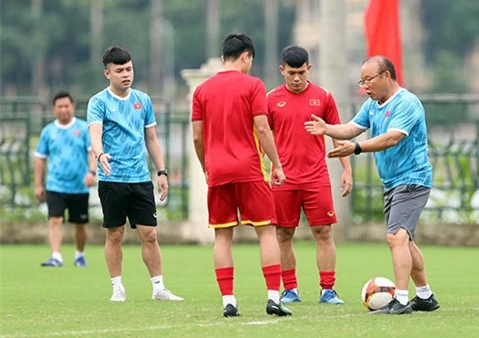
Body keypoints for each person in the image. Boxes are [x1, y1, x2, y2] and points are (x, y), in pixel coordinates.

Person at [304, 56, 439, 315]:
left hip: (412, 179)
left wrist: (356, 148)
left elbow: (392, 138)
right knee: (405, 242)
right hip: (393, 182)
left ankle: (400, 300)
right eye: (362, 80)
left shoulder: (407, 103)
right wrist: (327, 129)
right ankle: (425, 296)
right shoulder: (372, 105)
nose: (364, 86)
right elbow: (351, 128)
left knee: (395, 237)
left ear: (386, 75)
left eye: (368, 80)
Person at [191, 33, 292, 318]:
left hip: (218, 171)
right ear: (246, 56)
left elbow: (197, 136)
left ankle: (228, 301)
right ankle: (273, 297)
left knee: (222, 237)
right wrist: (277, 164)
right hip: (249, 169)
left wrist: (205, 166)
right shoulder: (253, 85)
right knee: (266, 232)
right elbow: (262, 127)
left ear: (224, 58)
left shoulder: (202, 90)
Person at [87, 46, 183, 302]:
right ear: (108, 73)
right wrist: (100, 154)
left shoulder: (144, 100)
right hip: (112, 179)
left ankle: (159, 287)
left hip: (140, 179)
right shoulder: (98, 102)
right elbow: (95, 134)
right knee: (115, 234)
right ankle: (117, 287)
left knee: (150, 234)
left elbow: (151, 139)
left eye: (128, 69)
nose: (126, 75)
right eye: (119, 71)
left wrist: (161, 172)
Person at [266, 45, 352, 305]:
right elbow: (262, 137)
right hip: (283, 178)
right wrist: (264, 171)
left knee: (323, 232)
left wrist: (347, 169)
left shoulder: (323, 96)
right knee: (283, 234)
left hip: (316, 177)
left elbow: (338, 134)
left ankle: (328, 289)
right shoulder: (270, 99)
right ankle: (290, 289)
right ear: (282, 70)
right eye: (291, 73)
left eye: (301, 73)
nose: (296, 78)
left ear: (309, 69)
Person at [35, 91, 96, 267]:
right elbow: (40, 158)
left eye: (66, 106)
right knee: (55, 220)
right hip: (55, 185)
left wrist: (91, 173)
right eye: (59, 106)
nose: (63, 110)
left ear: (73, 107)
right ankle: (56, 256)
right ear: (54, 109)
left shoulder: (84, 128)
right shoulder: (48, 132)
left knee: (80, 224)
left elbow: (92, 152)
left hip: (79, 185)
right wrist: (38, 184)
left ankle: (79, 254)